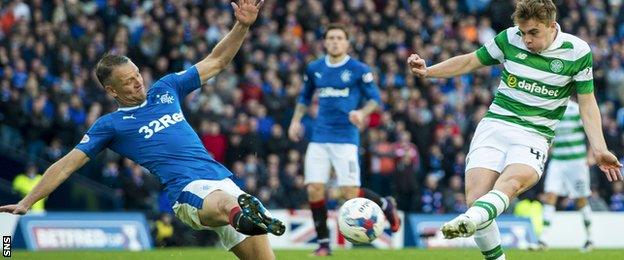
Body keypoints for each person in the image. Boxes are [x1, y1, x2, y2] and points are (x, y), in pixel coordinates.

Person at [0, 1, 284, 259]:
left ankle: (244, 212)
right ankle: (243, 213)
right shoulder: (110, 125)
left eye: (137, 73)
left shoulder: (166, 88)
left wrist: (242, 25)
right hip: (187, 191)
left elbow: (217, 60)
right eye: (128, 81)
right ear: (112, 91)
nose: (138, 81)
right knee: (227, 205)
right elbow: (65, 166)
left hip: (222, 178)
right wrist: (27, 201)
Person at [407, 0, 622, 259]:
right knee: (476, 199)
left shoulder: (576, 51)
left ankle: (469, 220)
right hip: (495, 125)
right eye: (523, 32)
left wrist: (599, 149)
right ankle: (478, 226)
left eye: (534, 33)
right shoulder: (508, 39)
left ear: (552, 26)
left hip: (535, 134)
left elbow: (588, 104)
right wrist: (429, 71)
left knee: (509, 185)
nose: (526, 39)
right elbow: (469, 61)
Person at [288, 23, 401, 256]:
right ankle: (322, 244)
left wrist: (362, 112)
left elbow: (375, 100)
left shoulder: (359, 69)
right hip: (319, 137)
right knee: (314, 190)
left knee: (349, 193)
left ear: (347, 42)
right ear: (325, 42)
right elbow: (304, 97)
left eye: (339, 38)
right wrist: (296, 120)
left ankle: (385, 205)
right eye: (331, 38)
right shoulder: (315, 68)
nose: (335, 41)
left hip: (346, 138)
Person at [537, 99, 594, 251]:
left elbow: (590, 131)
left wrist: (590, 155)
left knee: (580, 200)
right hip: (558, 162)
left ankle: (589, 238)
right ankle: (543, 239)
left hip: (577, 162)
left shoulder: (576, 110)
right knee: (550, 195)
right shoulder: (552, 109)